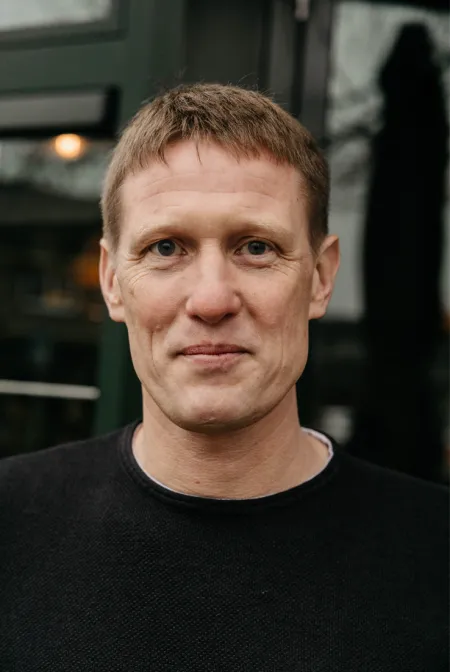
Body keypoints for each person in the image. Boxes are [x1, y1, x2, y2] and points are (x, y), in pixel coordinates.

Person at [0, 83, 447, 671]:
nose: (211, 300)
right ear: (112, 280)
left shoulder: (435, 551)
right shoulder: (11, 523)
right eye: (166, 248)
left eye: (256, 247)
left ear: (320, 277)